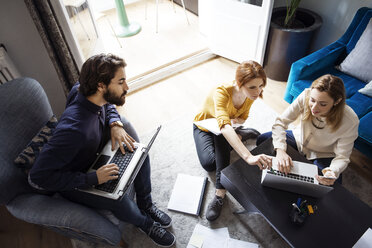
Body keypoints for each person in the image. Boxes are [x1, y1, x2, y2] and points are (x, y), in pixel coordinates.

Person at [29, 54, 175, 247]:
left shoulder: (83, 90)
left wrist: (115, 123)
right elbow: (38, 177)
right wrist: (93, 178)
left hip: (93, 154)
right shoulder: (73, 131)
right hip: (75, 180)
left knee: (140, 155)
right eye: (121, 82)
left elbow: (109, 104)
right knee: (117, 198)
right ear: (100, 86)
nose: (127, 87)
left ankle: (146, 205)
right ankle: (145, 223)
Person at [193, 60, 273, 221]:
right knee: (209, 163)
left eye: (260, 86)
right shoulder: (221, 92)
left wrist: (237, 123)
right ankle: (241, 136)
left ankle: (219, 193)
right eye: (252, 87)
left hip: (224, 131)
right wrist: (248, 156)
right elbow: (224, 125)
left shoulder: (250, 95)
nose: (257, 92)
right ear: (239, 83)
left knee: (222, 136)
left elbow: (242, 118)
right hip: (204, 127)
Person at [257, 74, 359, 185]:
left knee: (330, 185)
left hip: (323, 153)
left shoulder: (350, 121)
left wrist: (332, 171)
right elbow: (280, 123)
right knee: (263, 140)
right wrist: (280, 150)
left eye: (323, 104)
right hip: (298, 139)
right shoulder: (306, 94)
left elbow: (343, 157)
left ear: (337, 101)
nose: (314, 108)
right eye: (312, 100)